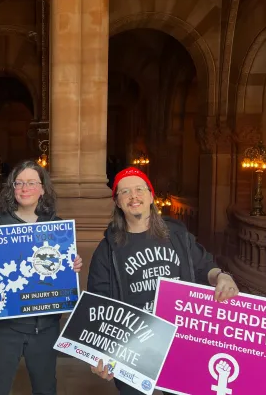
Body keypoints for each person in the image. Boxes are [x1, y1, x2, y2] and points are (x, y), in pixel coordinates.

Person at [87, 167, 240, 394]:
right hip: (132, 346)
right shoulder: (107, 250)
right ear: (118, 202)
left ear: (151, 195)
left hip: (180, 341)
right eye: (125, 191)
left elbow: (204, 266)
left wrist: (222, 276)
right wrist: (98, 353)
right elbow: (98, 302)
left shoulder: (177, 236)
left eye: (139, 189)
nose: (133, 196)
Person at [0, 160, 84, 395]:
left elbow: (60, 271)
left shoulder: (56, 226)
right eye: (20, 183)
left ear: (43, 189)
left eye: (32, 183)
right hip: (4, 327)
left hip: (44, 326)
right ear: (12, 187)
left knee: (46, 388)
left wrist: (72, 265)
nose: (25, 189)